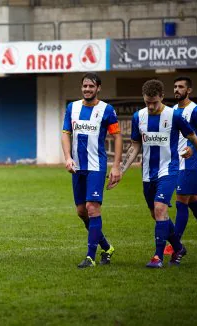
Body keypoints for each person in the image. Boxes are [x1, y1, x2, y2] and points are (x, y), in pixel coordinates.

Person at [119, 79, 197, 268]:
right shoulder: (138, 117)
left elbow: (194, 137)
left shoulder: (174, 116)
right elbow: (135, 146)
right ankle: (178, 247)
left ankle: (157, 257)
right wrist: (121, 170)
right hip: (147, 174)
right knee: (156, 214)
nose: (150, 106)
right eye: (147, 102)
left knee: (161, 208)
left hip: (169, 170)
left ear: (161, 97)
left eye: (154, 102)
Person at [61, 72, 122, 268]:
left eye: (91, 86)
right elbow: (65, 133)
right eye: (85, 86)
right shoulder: (72, 107)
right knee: (81, 211)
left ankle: (90, 257)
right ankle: (106, 247)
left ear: (98, 88)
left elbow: (117, 137)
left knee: (92, 208)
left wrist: (116, 165)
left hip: (96, 166)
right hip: (78, 167)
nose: (87, 89)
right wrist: (68, 157)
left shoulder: (107, 110)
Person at [163, 77, 197, 255]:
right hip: (175, 163)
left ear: (188, 90)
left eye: (181, 87)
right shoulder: (172, 110)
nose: (177, 90)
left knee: (181, 201)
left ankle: (176, 244)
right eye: (175, 87)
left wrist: (194, 150)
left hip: (190, 163)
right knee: (193, 202)